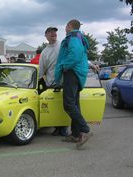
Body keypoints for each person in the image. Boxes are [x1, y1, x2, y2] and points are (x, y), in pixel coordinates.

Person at [54, 19, 92, 148]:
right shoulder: (78, 37)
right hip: (77, 73)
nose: (65, 29)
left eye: (65, 26)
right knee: (74, 103)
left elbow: (74, 55)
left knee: (68, 104)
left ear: (70, 26)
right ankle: (76, 135)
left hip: (72, 72)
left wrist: (65, 66)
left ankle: (85, 130)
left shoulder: (74, 37)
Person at [38, 26, 69, 136]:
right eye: (50, 32)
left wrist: (91, 65)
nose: (53, 33)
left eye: (55, 31)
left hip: (65, 82)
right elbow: (41, 71)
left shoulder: (63, 46)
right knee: (55, 107)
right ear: (45, 35)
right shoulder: (44, 52)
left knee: (65, 106)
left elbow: (76, 56)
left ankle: (64, 127)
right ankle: (57, 127)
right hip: (51, 84)